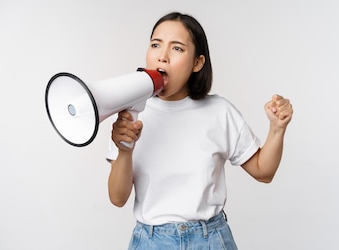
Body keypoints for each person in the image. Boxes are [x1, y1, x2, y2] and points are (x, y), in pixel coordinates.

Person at [106, 12, 293, 250]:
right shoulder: (131, 113)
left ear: (197, 63)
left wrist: (277, 128)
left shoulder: (219, 111)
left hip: (210, 240)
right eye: (155, 45)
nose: (162, 56)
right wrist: (125, 149)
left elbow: (263, 172)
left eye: (177, 48)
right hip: (150, 242)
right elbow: (117, 198)